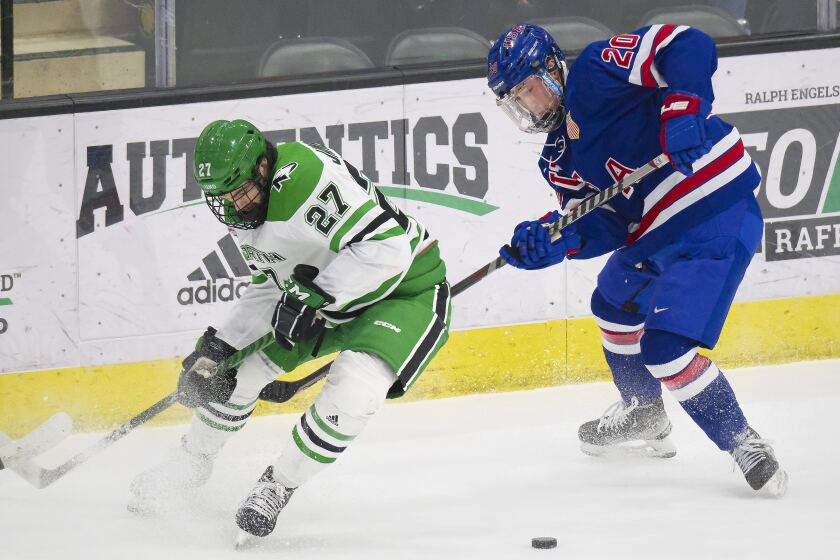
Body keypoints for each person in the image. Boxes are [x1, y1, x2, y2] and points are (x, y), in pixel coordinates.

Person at [486, 23, 787, 495]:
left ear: (550, 69)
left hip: (712, 211)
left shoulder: (593, 70)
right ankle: (644, 411)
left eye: (528, 91)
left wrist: (684, 108)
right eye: (517, 101)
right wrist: (557, 239)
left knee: (665, 351)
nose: (528, 106)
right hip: (654, 235)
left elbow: (686, 44)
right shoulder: (556, 158)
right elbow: (609, 221)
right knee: (613, 304)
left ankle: (744, 443)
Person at [129, 119, 451, 538]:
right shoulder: (247, 206)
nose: (233, 207)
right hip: (322, 298)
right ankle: (191, 461)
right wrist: (220, 346)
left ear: (263, 167)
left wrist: (318, 294)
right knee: (232, 376)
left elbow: (388, 249)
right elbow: (272, 282)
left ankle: (276, 486)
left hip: (404, 290)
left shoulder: (306, 181)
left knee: (354, 390)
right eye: (221, 198)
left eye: (240, 192)